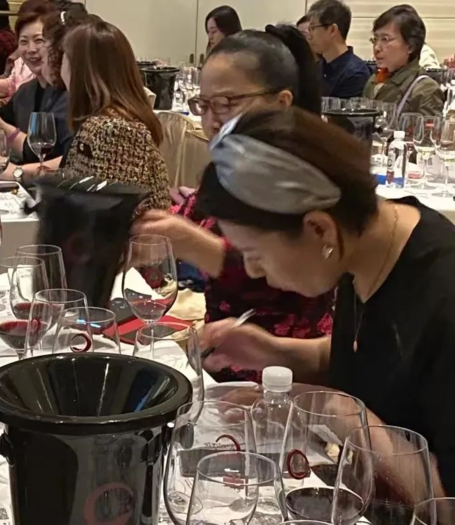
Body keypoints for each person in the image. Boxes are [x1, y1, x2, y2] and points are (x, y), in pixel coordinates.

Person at [191, 106, 455, 496]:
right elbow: (371, 356)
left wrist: (346, 416)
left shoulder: (443, 298)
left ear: (319, 229)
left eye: (255, 254)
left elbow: (446, 502)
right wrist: (275, 352)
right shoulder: (361, 246)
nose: (252, 270)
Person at [134, 26, 333, 382]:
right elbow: (184, 222)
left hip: (290, 381)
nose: (212, 120)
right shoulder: (227, 169)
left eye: (227, 104)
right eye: (204, 104)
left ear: (281, 103)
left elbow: (287, 277)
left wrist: (191, 243)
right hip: (220, 364)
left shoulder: (306, 178)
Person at [58, 16, 171, 212]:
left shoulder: (113, 130)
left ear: (80, 69)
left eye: (64, 58)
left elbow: (112, 216)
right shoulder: (102, 122)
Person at [0, 2, 71, 182]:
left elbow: (68, 160)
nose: (31, 49)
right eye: (24, 42)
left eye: (39, 40)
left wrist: (17, 172)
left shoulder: (68, 94)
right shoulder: (27, 90)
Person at [363, 5, 444, 117]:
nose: (377, 47)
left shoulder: (425, 89)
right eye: (375, 39)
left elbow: (429, 128)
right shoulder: (374, 80)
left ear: (410, 46)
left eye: (385, 39)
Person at [306, 0, 370, 99]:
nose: (309, 36)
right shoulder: (317, 67)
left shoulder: (355, 73)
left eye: (312, 28)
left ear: (332, 30)